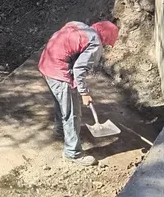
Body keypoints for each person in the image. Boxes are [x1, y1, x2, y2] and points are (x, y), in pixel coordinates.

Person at [38, 20, 119, 166]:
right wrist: (84, 93)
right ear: (106, 37)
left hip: (45, 64)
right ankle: (72, 153)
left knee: (61, 103)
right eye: (107, 43)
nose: (105, 45)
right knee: (72, 113)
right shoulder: (95, 44)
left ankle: (60, 131)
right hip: (58, 72)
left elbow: (66, 43)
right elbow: (79, 70)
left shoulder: (78, 26)